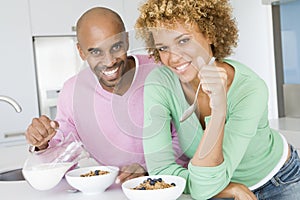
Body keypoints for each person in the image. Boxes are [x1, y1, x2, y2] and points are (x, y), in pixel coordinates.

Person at [136, 0, 300, 199]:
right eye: (163, 48)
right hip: (217, 189)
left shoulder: (250, 89)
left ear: (210, 34)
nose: (173, 58)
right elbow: (160, 171)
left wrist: (219, 108)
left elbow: (203, 185)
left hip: (279, 182)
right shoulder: (160, 83)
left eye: (183, 41)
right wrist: (223, 189)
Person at [25, 6, 189, 184]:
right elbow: (63, 159)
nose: (110, 61)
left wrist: (147, 166)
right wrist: (42, 144)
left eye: (116, 47)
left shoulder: (160, 71)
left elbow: (187, 137)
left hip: (172, 184)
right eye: (95, 52)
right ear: (81, 51)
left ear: (126, 41)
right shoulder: (72, 92)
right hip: (114, 190)